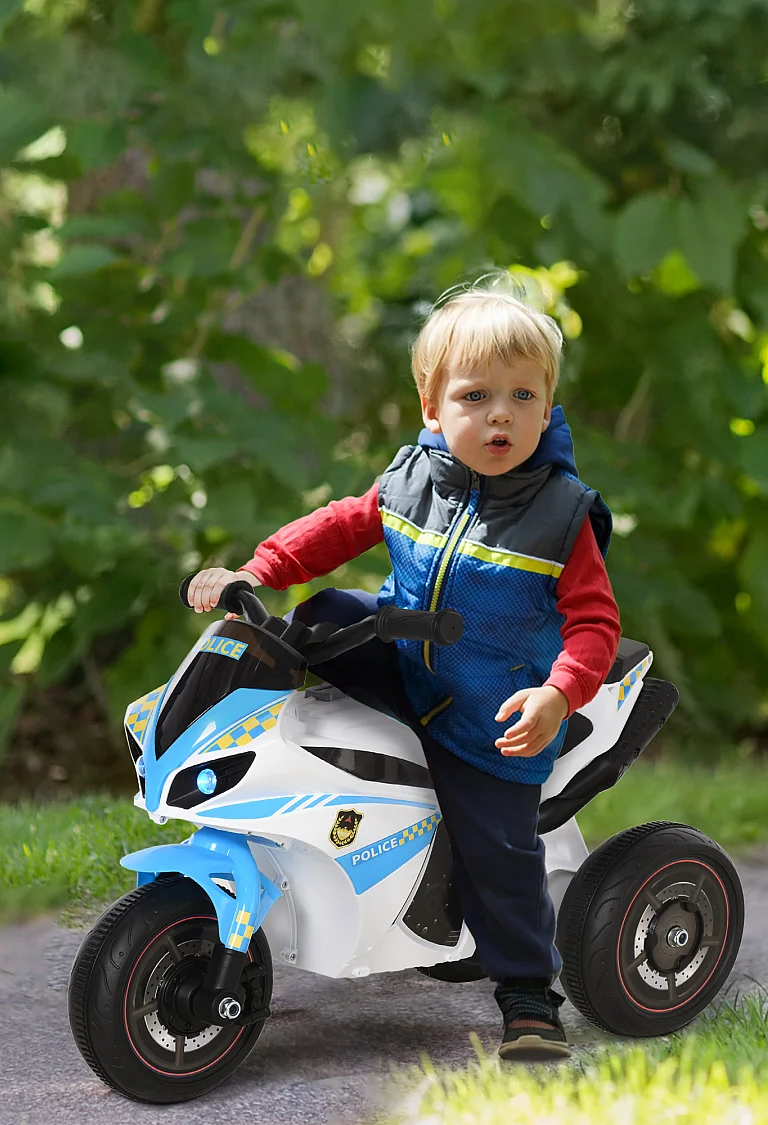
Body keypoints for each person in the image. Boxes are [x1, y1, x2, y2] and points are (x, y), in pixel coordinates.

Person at [186, 275, 620, 1061]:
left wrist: (558, 693)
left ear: (548, 403)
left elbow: (594, 622)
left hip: (487, 712)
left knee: (498, 846)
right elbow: (339, 525)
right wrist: (258, 569)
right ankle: (270, 747)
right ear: (431, 405)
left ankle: (528, 995)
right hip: (404, 665)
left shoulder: (560, 513)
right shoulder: (413, 477)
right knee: (317, 614)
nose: (500, 414)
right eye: (476, 395)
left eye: (524, 395)